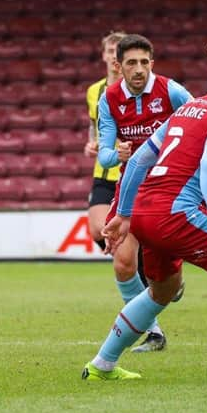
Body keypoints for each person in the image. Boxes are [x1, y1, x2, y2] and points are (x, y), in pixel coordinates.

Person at [82, 45, 207, 381]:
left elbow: (138, 160)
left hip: (146, 212)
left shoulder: (189, 108)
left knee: (163, 290)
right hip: (176, 213)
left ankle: (102, 365)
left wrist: (124, 213)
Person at [96, 34, 192, 353]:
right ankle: (153, 332)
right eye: (131, 63)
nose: (139, 69)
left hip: (170, 184)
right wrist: (117, 154)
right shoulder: (108, 99)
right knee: (123, 263)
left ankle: (169, 282)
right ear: (118, 66)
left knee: (161, 268)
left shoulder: (172, 91)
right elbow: (104, 156)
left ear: (153, 63)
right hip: (131, 187)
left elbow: (204, 124)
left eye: (144, 62)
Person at [84, 31, 124, 252]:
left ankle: (142, 275)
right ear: (104, 56)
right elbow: (93, 123)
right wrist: (92, 142)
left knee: (129, 233)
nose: (114, 56)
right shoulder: (94, 91)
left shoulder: (136, 89)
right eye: (110, 51)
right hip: (104, 172)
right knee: (98, 231)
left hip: (131, 172)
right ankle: (135, 270)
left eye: (119, 51)